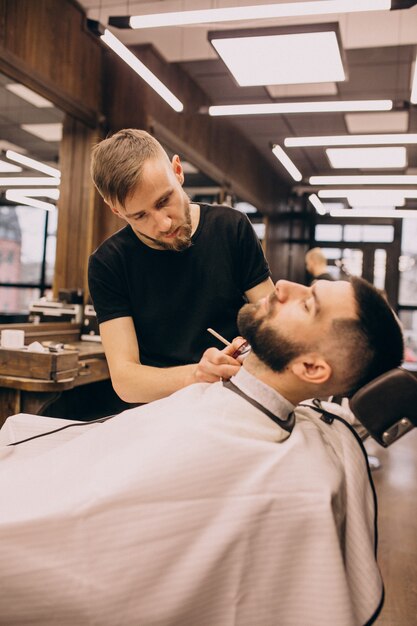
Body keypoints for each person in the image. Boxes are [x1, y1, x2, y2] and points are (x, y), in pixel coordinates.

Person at [0, 277, 404, 625]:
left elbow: (69, 527)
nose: (283, 286)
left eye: (307, 302)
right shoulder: (293, 413)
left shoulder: (255, 460)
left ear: (313, 370)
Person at [88, 129, 274, 404]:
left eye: (164, 201)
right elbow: (126, 380)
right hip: (161, 408)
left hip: (235, 396)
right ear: (116, 210)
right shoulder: (109, 264)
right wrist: (197, 375)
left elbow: (273, 324)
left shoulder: (231, 228)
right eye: (139, 216)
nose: (163, 224)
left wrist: (252, 348)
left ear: (177, 171)